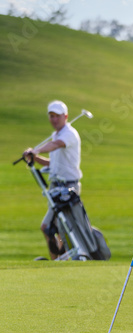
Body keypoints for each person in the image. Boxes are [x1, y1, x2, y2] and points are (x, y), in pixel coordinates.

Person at [23, 100, 82, 259]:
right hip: (57, 188)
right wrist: (35, 157)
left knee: (48, 226)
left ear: (66, 116)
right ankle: (60, 259)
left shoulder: (68, 134)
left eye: (57, 116)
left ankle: (58, 261)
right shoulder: (56, 134)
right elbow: (53, 163)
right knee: (57, 228)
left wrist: (37, 149)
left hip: (68, 188)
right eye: (51, 116)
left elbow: (55, 145)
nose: (54, 119)